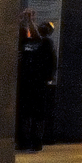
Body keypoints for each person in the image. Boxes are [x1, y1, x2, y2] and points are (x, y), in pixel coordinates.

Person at [17, 11, 57, 151]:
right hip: (26, 82)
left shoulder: (46, 43)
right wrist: (24, 22)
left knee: (37, 113)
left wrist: (29, 21)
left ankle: (36, 140)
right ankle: (25, 139)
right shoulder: (26, 42)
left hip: (38, 83)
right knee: (26, 113)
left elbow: (51, 61)